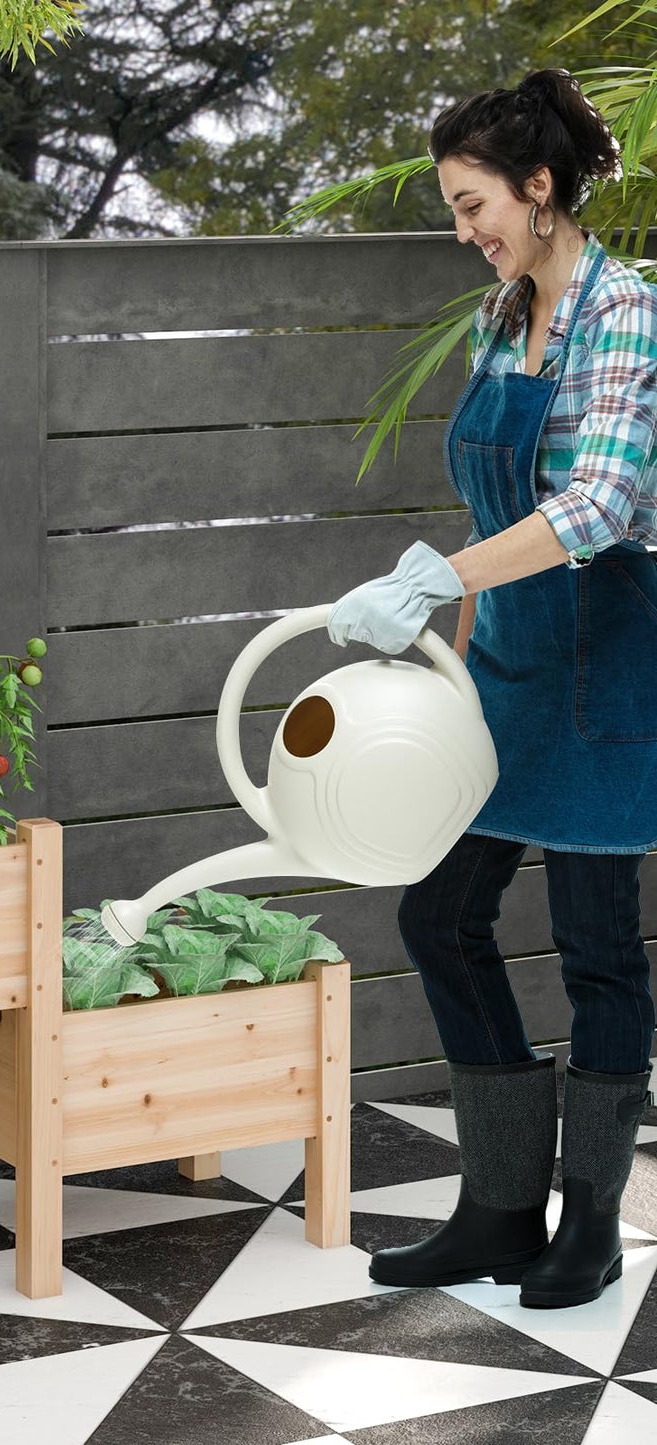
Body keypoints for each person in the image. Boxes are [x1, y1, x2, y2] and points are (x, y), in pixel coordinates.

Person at [326, 68, 656, 1310]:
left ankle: (586, 1223)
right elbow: (488, 505)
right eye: (454, 211)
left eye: (474, 204)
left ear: (538, 186)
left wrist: (427, 577)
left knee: (594, 946)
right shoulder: (496, 314)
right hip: (506, 658)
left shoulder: (624, 311)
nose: (466, 232)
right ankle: (497, 1205)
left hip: (608, 657)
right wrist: (450, 657)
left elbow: (595, 505)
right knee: (438, 916)